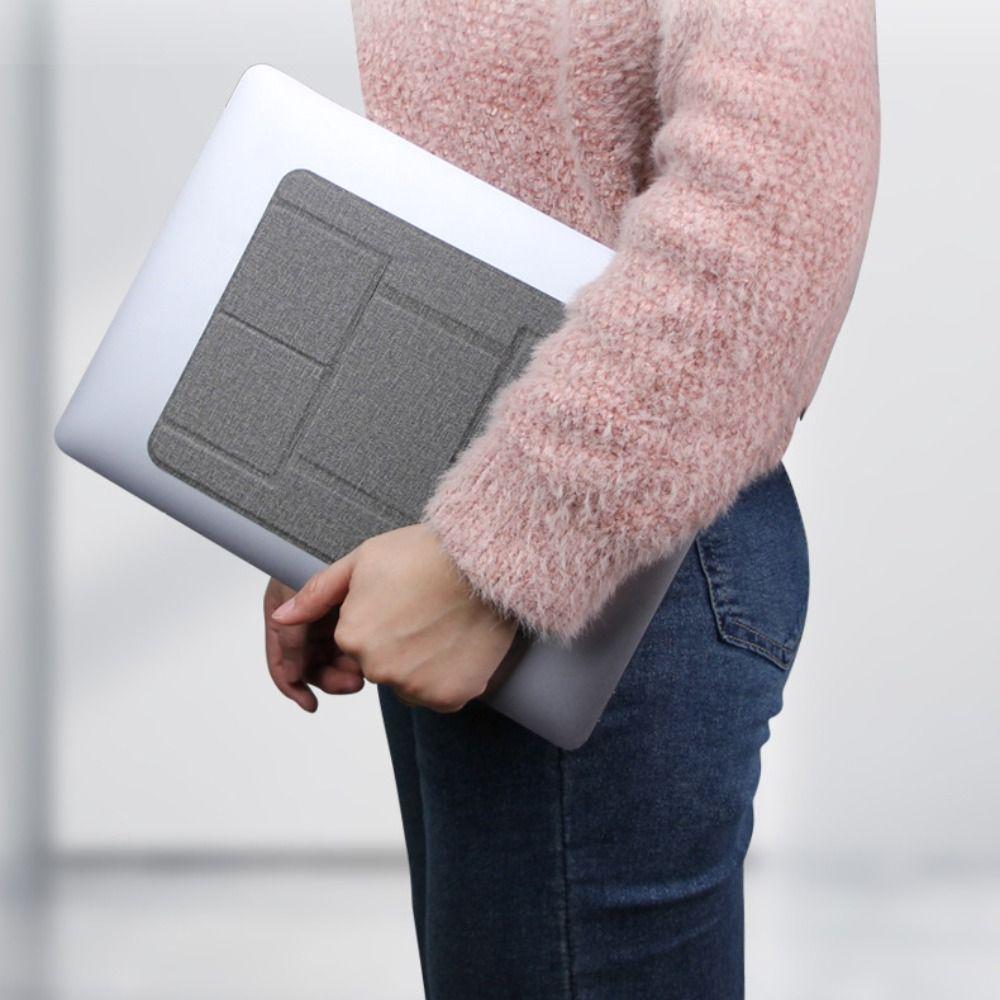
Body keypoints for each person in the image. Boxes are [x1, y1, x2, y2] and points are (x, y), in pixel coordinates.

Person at [263, 1, 881, 996]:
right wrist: (354, 506)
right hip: (489, 529)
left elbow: (770, 211)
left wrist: (494, 553)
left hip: (604, 562)